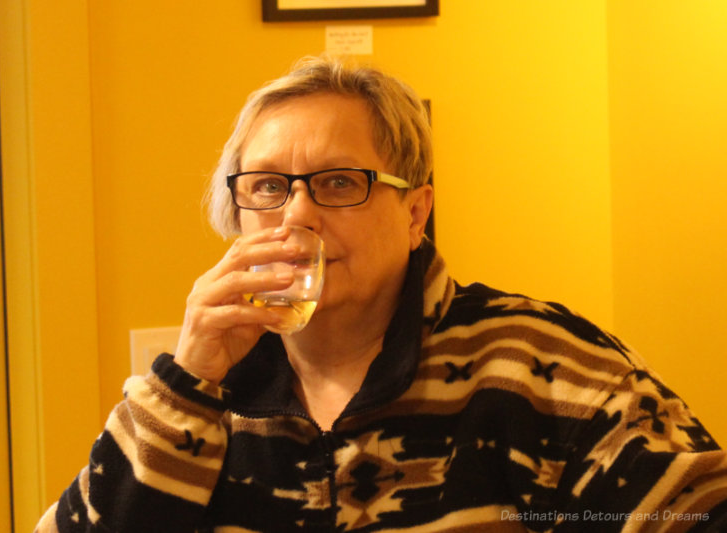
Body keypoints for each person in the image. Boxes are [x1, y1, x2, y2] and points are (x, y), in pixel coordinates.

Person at [36, 56, 727, 532]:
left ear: (416, 211)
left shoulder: (536, 361)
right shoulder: (201, 390)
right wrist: (182, 384)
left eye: (339, 183)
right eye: (268, 187)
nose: (297, 215)